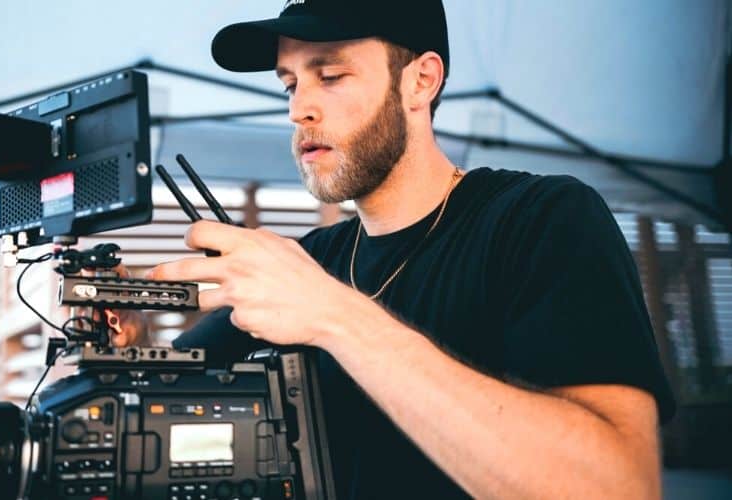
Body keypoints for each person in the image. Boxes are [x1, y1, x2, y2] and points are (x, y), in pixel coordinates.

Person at [119, 1, 676, 497]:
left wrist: (335, 316)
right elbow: (156, 388)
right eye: (290, 84)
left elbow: (618, 485)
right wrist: (128, 336)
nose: (298, 110)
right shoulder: (309, 261)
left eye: (330, 75)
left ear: (420, 81)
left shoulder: (540, 219)